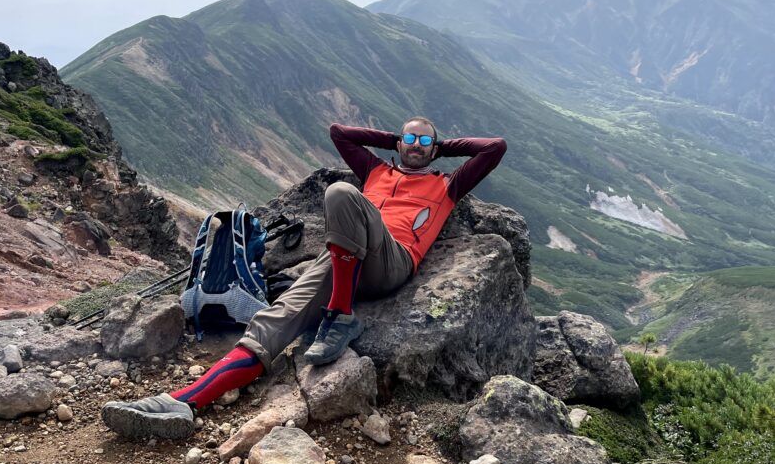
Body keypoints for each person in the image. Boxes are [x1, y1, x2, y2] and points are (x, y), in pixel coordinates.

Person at [101, 118, 507, 440]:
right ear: (397, 143)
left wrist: (438, 145)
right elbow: (340, 133)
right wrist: (398, 140)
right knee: (272, 324)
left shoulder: (448, 185)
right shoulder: (376, 170)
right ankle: (184, 401)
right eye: (409, 140)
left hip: (391, 262)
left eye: (424, 143)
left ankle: (341, 314)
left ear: (435, 150)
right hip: (341, 260)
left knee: (341, 194)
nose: (415, 147)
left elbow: (495, 148)